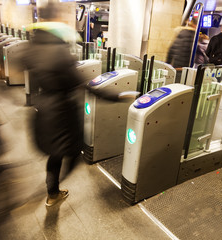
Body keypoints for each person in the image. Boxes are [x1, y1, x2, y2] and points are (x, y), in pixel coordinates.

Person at [20, 3, 138, 207]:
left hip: (43, 108)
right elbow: (85, 85)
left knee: (55, 153)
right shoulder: (60, 50)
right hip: (61, 111)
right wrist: (117, 96)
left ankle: (52, 191)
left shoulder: (32, 46)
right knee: (73, 153)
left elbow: (22, 63)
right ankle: (51, 190)